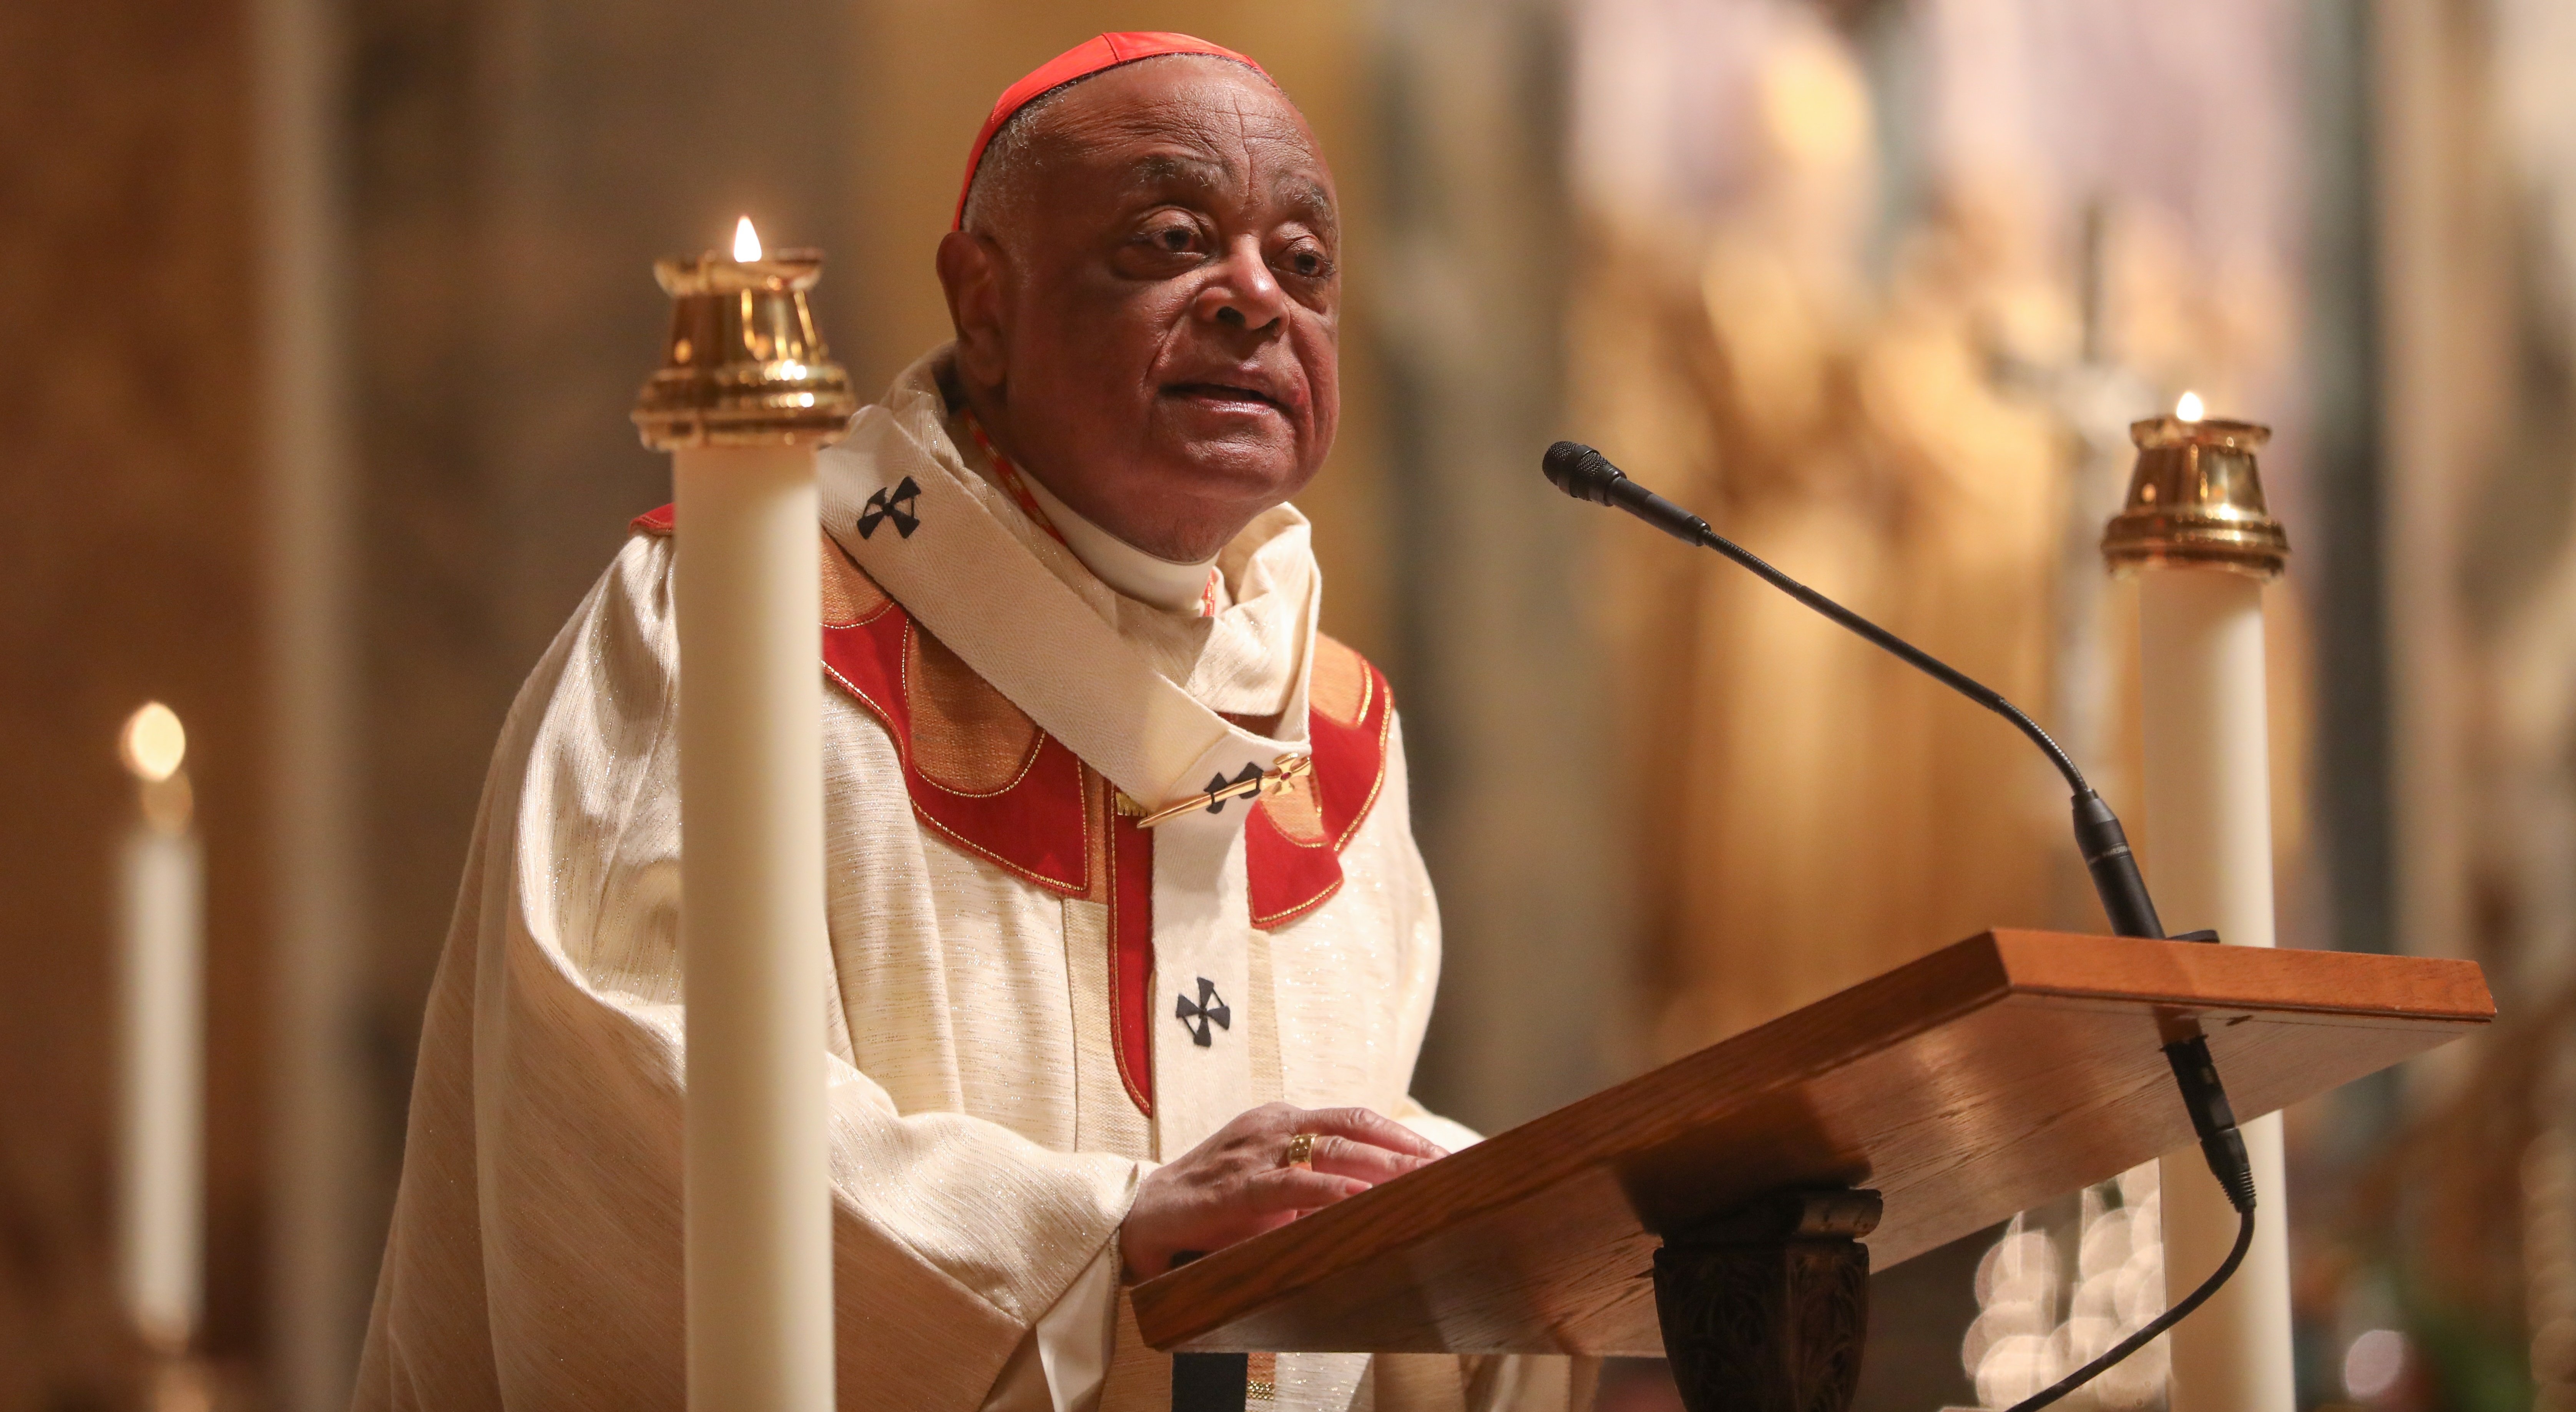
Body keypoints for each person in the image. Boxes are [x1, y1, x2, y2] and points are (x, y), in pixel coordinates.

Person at [354, 31, 1586, 1412]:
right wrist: (1095, 1239)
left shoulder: (1334, 730)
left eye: (1305, 264)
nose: (1255, 296)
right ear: (983, 302)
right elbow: (631, 1110)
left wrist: (1546, 1266)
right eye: (1174, 239)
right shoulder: (741, 623)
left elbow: (1323, 1221)